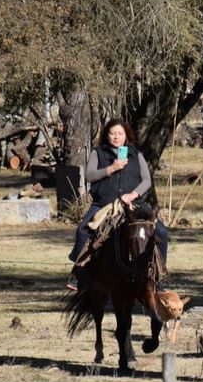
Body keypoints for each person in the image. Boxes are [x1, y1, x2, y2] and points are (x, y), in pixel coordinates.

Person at [67, 119, 169, 290]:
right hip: (104, 203)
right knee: (83, 230)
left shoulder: (136, 155)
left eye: (120, 133)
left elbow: (146, 180)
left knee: (162, 232)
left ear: (126, 135)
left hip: (133, 204)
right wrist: (111, 168)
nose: (116, 137)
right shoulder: (98, 153)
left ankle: (160, 274)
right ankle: (78, 273)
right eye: (112, 133)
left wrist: (133, 194)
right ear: (106, 135)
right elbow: (90, 175)